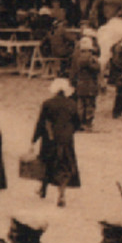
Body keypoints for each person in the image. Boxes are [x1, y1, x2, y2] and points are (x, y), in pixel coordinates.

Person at [30, 79, 81, 207]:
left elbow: (41, 123)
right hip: (66, 140)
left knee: (46, 163)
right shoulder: (72, 104)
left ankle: (43, 189)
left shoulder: (47, 104)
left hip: (50, 139)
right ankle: (61, 194)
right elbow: (78, 123)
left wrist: (34, 140)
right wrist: (69, 133)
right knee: (63, 166)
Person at [69, 37, 101, 129]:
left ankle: (80, 123)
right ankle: (88, 123)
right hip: (90, 86)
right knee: (90, 105)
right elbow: (96, 69)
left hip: (80, 85)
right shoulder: (90, 59)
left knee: (81, 105)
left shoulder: (77, 57)